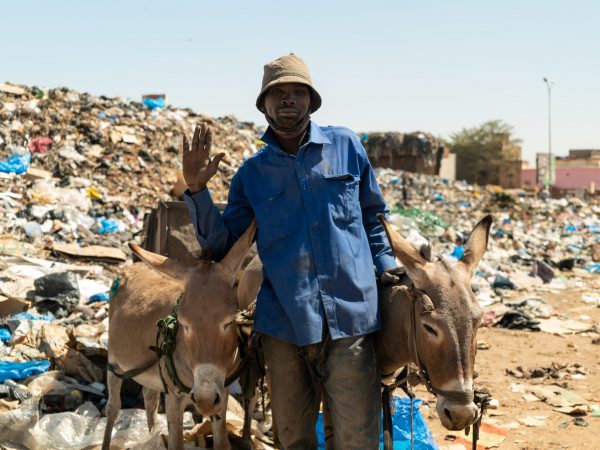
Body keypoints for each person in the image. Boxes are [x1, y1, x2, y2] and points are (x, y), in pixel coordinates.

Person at [182, 54, 398, 449]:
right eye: (277, 94)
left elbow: (373, 217)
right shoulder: (251, 174)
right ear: (263, 105)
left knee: (356, 439)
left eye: (298, 92)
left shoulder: (347, 146)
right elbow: (222, 247)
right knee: (293, 440)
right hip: (284, 327)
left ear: (311, 102)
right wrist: (197, 191)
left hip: (350, 320)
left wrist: (387, 269)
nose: (288, 100)